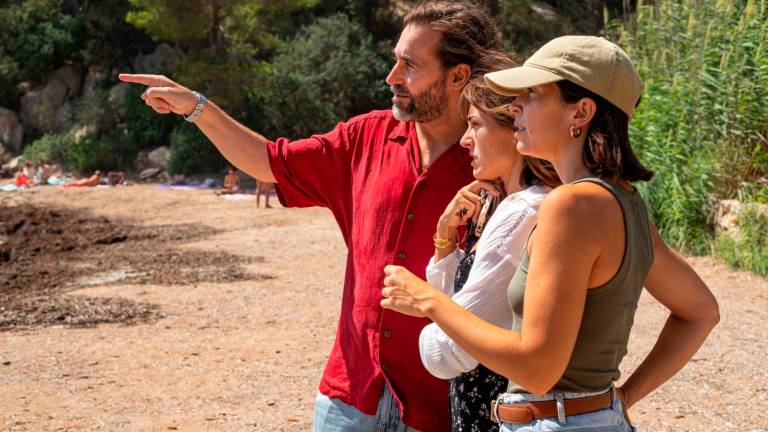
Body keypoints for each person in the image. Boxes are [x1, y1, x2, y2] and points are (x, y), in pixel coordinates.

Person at [119, 2, 505, 430]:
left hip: (441, 408)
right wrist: (196, 107)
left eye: (409, 65)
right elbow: (270, 162)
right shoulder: (363, 138)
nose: (391, 77)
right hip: (348, 399)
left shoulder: (498, 164)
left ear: (458, 76)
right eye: (395, 60)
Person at [381, 36, 719, 431]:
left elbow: (537, 368)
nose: (515, 107)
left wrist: (427, 301)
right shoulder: (624, 203)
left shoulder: (570, 207)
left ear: (581, 112)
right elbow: (700, 312)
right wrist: (621, 398)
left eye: (532, 94)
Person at [422, 72, 559, 432]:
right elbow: (460, 310)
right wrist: (445, 239)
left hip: (496, 418)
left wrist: (423, 303)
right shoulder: (498, 205)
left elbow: (446, 353)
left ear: (514, 128)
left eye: (475, 125)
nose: (465, 141)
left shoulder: (523, 212)